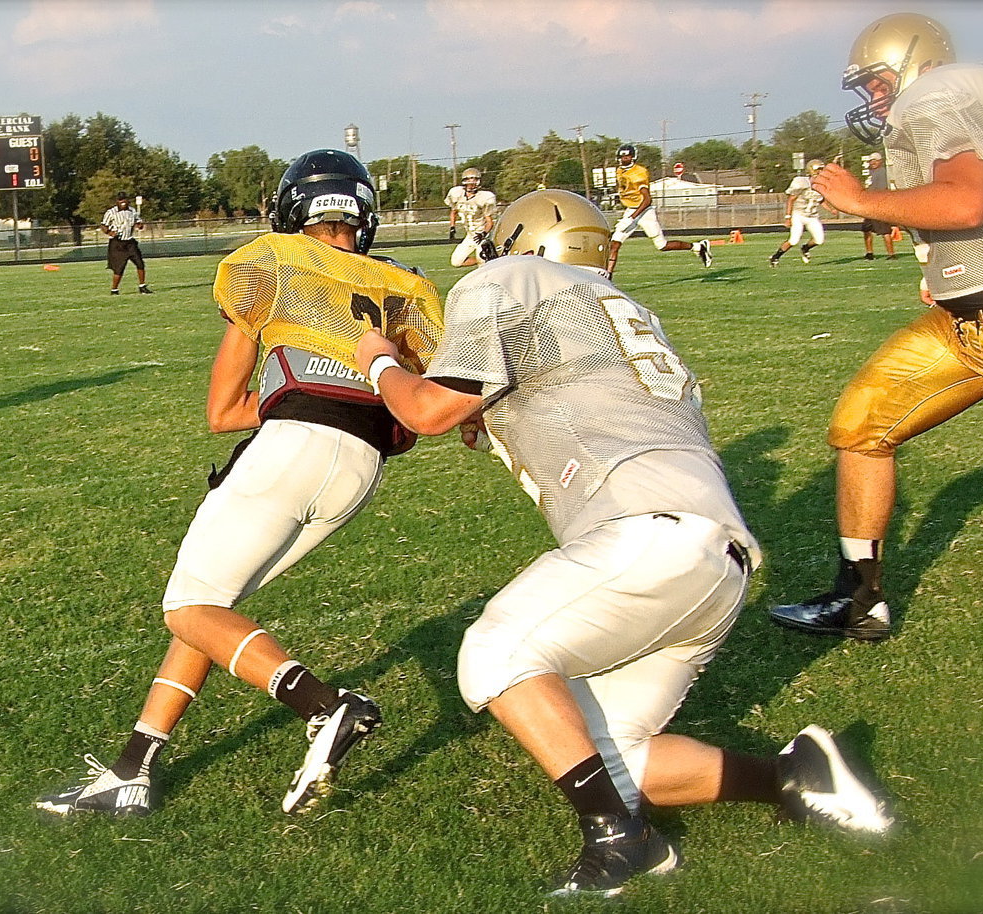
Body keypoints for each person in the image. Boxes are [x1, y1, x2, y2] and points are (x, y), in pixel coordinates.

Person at [355, 189, 891, 897]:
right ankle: (793, 777)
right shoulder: (613, 312)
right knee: (609, 754)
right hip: (714, 563)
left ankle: (621, 843)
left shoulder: (505, 278)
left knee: (495, 653)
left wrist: (377, 359)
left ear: (523, 242)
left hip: (649, 536)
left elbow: (428, 409)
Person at [36, 149, 444, 818]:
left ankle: (325, 705)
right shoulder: (407, 285)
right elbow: (419, 399)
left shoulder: (273, 267)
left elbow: (221, 412)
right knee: (210, 607)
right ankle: (132, 771)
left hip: (293, 448)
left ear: (290, 212)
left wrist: (288, 394)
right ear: (362, 214)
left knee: (188, 607)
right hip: (361, 469)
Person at [770, 12, 983, 640]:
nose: (873, 96)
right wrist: (944, 270)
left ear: (914, 59)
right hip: (967, 320)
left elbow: (967, 199)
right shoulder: (957, 93)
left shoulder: (935, 93)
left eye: (878, 80)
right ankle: (859, 599)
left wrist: (860, 202)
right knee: (862, 427)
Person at [605, 144, 712, 277]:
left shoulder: (639, 172)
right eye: (621, 157)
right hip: (630, 209)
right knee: (614, 245)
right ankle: (608, 275)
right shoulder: (620, 171)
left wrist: (631, 218)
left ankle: (698, 247)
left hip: (644, 211)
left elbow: (647, 199)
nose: (623, 159)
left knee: (662, 245)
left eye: (626, 156)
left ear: (633, 157)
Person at [768, 160, 840, 267]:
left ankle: (805, 248)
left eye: (822, 170)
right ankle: (775, 257)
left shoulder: (822, 185)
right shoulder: (802, 182)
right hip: (799, 214)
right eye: (818, 170)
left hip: (812, 216)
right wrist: (788, 217)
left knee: (819, 240)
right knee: (794, 240)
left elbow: (820, 200)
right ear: (811, 170)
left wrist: (831, 210)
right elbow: (791, 200)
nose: (821, 172)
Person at [445, 167, 498, 267]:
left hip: (483, 236)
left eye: (474, 181)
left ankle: (485, 263)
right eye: (469, 181)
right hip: (470, 236)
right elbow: (453, 212)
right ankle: (488, 260)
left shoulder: (484, 197)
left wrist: (483, 234)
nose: (471, 185)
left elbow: (490, 222)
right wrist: (452, 227)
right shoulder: (457, 194)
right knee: (456, 261)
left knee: (482, 260)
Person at [101, 192, 152, 294]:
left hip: (130, 242)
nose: (122, 202)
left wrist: (140, 225)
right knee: (119, 269)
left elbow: (138, 221)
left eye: (124, 199)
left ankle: (142, 286)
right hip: (117, 243)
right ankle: (114, 289)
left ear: (127, 200)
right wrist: (109, 232)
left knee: (140, 264)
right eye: (120, 200)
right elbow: (103, 225)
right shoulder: (111, 212)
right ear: (117, 201)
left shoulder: (132, 211)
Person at [860, 152, 897, 260]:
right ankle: (869, 253)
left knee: (885, 231)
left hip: (878, 205)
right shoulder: (870, 173)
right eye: (871, 160)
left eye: (875, 160)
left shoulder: (882, 173)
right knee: (866, 230)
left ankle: (891, 254)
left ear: (880, 161)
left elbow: (880, 190)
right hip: (869, 206)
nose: (873, 162)